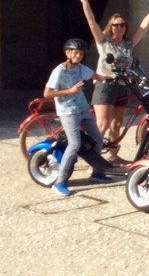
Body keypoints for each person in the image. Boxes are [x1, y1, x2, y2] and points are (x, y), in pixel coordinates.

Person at [78, 0, 149, 163]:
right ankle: (94, 160)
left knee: (117, 124)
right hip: (105, 86)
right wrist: (85, 2)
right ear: (111, 27)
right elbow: (91, 23)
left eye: (122, 25)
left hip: (122, 86)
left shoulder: (128, 44)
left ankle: (112, 156)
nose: (119, 28)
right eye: (116, 25)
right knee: (101, 125)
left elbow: (144, 26)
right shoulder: (104, 43)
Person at [42, 38, 112, 197]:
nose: (78, 56)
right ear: (67, 53)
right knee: (74, 144)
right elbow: (47, 93)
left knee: (98, 139)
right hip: (68, 111)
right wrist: (70, 91)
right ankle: (60, 181)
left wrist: (114, 77)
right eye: (75, 53)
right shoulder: (59, 71)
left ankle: (96, 172)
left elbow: (98, 76)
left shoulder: (81, 68)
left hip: (83, 109)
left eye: (81, 54)